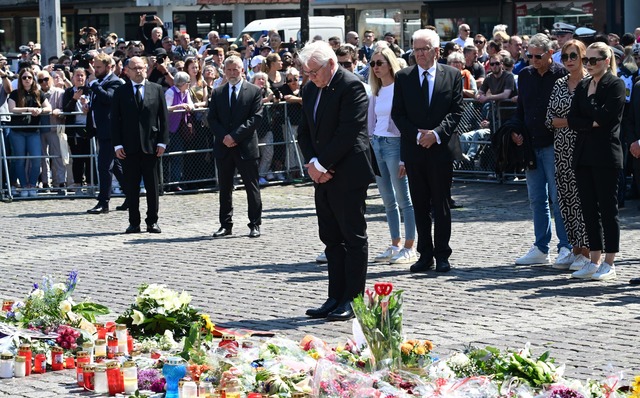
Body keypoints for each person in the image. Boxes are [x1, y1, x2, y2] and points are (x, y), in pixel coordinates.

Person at [298, 40, 374, 322]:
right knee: (330, 238)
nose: (310, 77)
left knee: (352, 237)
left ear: (331, 64)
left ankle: (353, 300)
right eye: (307, 72)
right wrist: (312, 164)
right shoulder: (310, 89)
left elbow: (349, 131)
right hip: (322, 174)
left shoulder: (351, 85)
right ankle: (334, 296)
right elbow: (304, 131)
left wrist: (321, 164)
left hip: (348, 172)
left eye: (314, 71)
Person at [391, 28, 463, 273]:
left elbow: (456, 111)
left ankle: (443, 254)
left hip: (441, 150)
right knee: (420, 204)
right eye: (416, 49)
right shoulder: (403, 77)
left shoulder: (452, 75)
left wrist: (437, 134)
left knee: (440, 204)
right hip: (415, 149)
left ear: (436, 51)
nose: (419, 54)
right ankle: (425, 254)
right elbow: (397, 114)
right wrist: (418, 135)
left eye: (424, 49)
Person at [511, 33, 572, 266]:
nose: (533, 60)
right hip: (530, 144)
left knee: (559, 198)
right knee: (536, 199)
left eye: (538, 56)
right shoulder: (525, 75)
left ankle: (565, 246)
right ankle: (540, 246)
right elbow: (521, 110)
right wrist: (515, 130)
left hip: (555, 144)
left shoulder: (562, 74)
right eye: (529, 55)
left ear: (549, 53)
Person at [566, 42, 625, 280]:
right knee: (588, 210)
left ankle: (609, 261)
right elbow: (572, 120)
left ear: (605, 60)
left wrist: (589, 110)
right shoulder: (582, 85)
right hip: (583, 154)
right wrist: (591, 121)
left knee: (608, 209)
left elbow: (606, 118)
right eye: (586, 60)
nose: (588, 64)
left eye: (593, 60)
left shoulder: (615, 84)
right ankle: (594, 258)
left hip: (606, 155)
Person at [545, 40, 591, 272]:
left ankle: (587, 250)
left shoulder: (591, 83)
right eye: (565, 57)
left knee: (584, 200)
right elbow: (549, 119)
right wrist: (573, 122)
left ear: (583, 56)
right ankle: (575, 249)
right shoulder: (560, 84)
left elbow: (591, 121)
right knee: (565, 200)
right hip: (562, 149)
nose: (569, 60)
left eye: (573, 56)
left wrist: (568, 122)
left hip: (586, 148)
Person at [368, 46, 417, 265]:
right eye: (373, 63)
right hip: (377, 143)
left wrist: (405, 156)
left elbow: (406, 123)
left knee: (403, 198)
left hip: (395, 144)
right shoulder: (375, 90)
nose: (376, 67)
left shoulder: (401, 87)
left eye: (380, 63)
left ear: (390, 64)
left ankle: (410, 245)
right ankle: (395, 243)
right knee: (387, 199)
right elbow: (373, 122)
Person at [207, 55, 264, 239]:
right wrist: (225, 137)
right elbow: (212, 119)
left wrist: (235, 136)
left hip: (245, 146)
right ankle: (225, 224)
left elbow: (256, 118)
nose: (232, 73)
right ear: (224, 70)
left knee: (251, 187)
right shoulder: (217, 92)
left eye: (235, 69)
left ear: (242, 70)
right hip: (224, 147)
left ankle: (255, 223)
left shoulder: (254, 91)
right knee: (224, 187)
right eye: (229, 69)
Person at [111, 56, 169, 234]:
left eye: (141, 68)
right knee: (131, 187)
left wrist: (162, 142)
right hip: (128, 148)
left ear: (146, 69)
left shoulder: (157, 89)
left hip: (151, 146)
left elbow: (163, 118)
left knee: (152, 187)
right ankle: (133, 222)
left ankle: (152, 221)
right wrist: (117, 145)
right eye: (134, 68)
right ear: (126, 71)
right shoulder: (120, 92)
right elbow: (115, 120)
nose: (138, 71)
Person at [86, 53, 124, 214]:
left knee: (104, 166)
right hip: (101, 129)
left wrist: (94, 85)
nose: (96, 70)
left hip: (111, 131)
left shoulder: (115, 82)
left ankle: (104, 202)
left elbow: (109, 98)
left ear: (109, 67)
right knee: (115, 166)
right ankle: (132, 194)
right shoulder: (100, 82)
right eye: (94, 67)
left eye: (99, 67)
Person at [7, 68, 52, 197]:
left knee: (36, 159)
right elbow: (12, 108)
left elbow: (49, 108)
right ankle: (23, 185)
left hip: (33, 131)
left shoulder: (38, 93)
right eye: (24, 77)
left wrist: (40, 111)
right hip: (17, 132)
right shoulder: (15, 93)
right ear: (20, 80)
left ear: (33, 80)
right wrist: (28, 109)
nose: (27, 80)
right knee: (20, 160)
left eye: (29, 77)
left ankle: (32, 185)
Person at [62, 67, 92, 191]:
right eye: (77, 75)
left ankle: (91, 183)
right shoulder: (68, 92)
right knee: (77, 157)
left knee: (90, 157)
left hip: (89, 128)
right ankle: (78, 183)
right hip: (74, 129)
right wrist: (74, 99)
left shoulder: (91, 90)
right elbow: (66, 110)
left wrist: (88, 106)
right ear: (73, 77)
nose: (79, 78)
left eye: (82, 75)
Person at [164, 71, 194, 192]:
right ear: (182, 83)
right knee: (166, 157)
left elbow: (191, 105)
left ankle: (176, 182)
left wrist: (187, 106)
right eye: (187, 82)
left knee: (178, 156)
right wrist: (178, 107)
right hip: (169, 128)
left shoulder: (186, 92)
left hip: (180, 128)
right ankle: (166, 182)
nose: (189, 84)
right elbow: (165, 107)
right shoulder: (171, 92)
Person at [251, 72, 275, 185]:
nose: (261, 81)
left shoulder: (268, 92)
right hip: (253, 127)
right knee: (254, 154)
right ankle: (253, 176)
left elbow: (274, 101)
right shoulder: (250, 92)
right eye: (259, 79)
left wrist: (275, 99)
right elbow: (253, 103)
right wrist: (267, 100)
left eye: (263, 79)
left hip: (266, 126)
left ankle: (262, 174)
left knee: (268, 152)